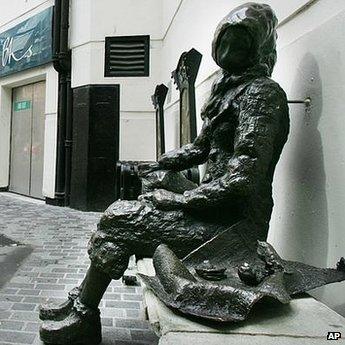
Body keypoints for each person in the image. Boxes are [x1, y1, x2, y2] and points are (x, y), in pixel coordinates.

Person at [39, 3, 289, 344]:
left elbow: (243, 180)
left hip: (231, 227)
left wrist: (179, 200)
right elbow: (200, 148)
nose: (229, 51)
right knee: (136, 200)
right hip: (213, 208)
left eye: (240, 43)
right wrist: (159, 164)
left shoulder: (262, 93)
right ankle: (82, 305)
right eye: (225, 42)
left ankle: (83, 311)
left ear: (258, 46)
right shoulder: (232, 90)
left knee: (121, 217)